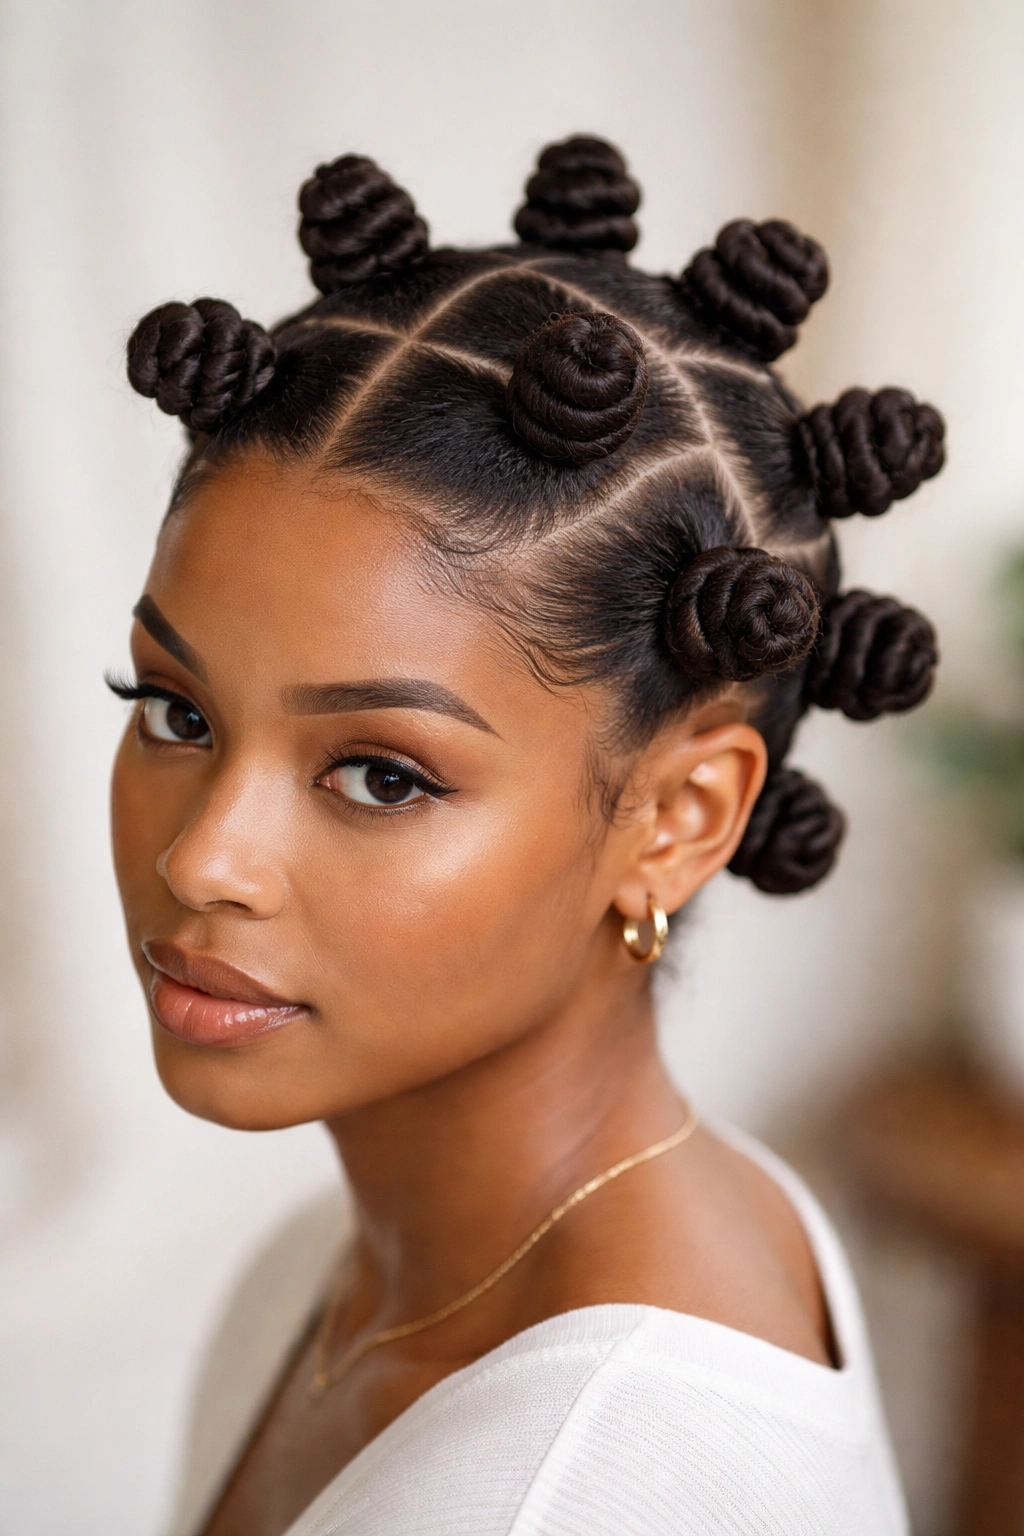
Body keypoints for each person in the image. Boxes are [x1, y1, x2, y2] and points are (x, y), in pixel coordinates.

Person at [111, 136, 944, 1535]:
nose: (203, 860)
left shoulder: (567, 1486)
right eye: (175, 711)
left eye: (380, 774)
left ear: (678, 821)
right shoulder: (348, 1274)